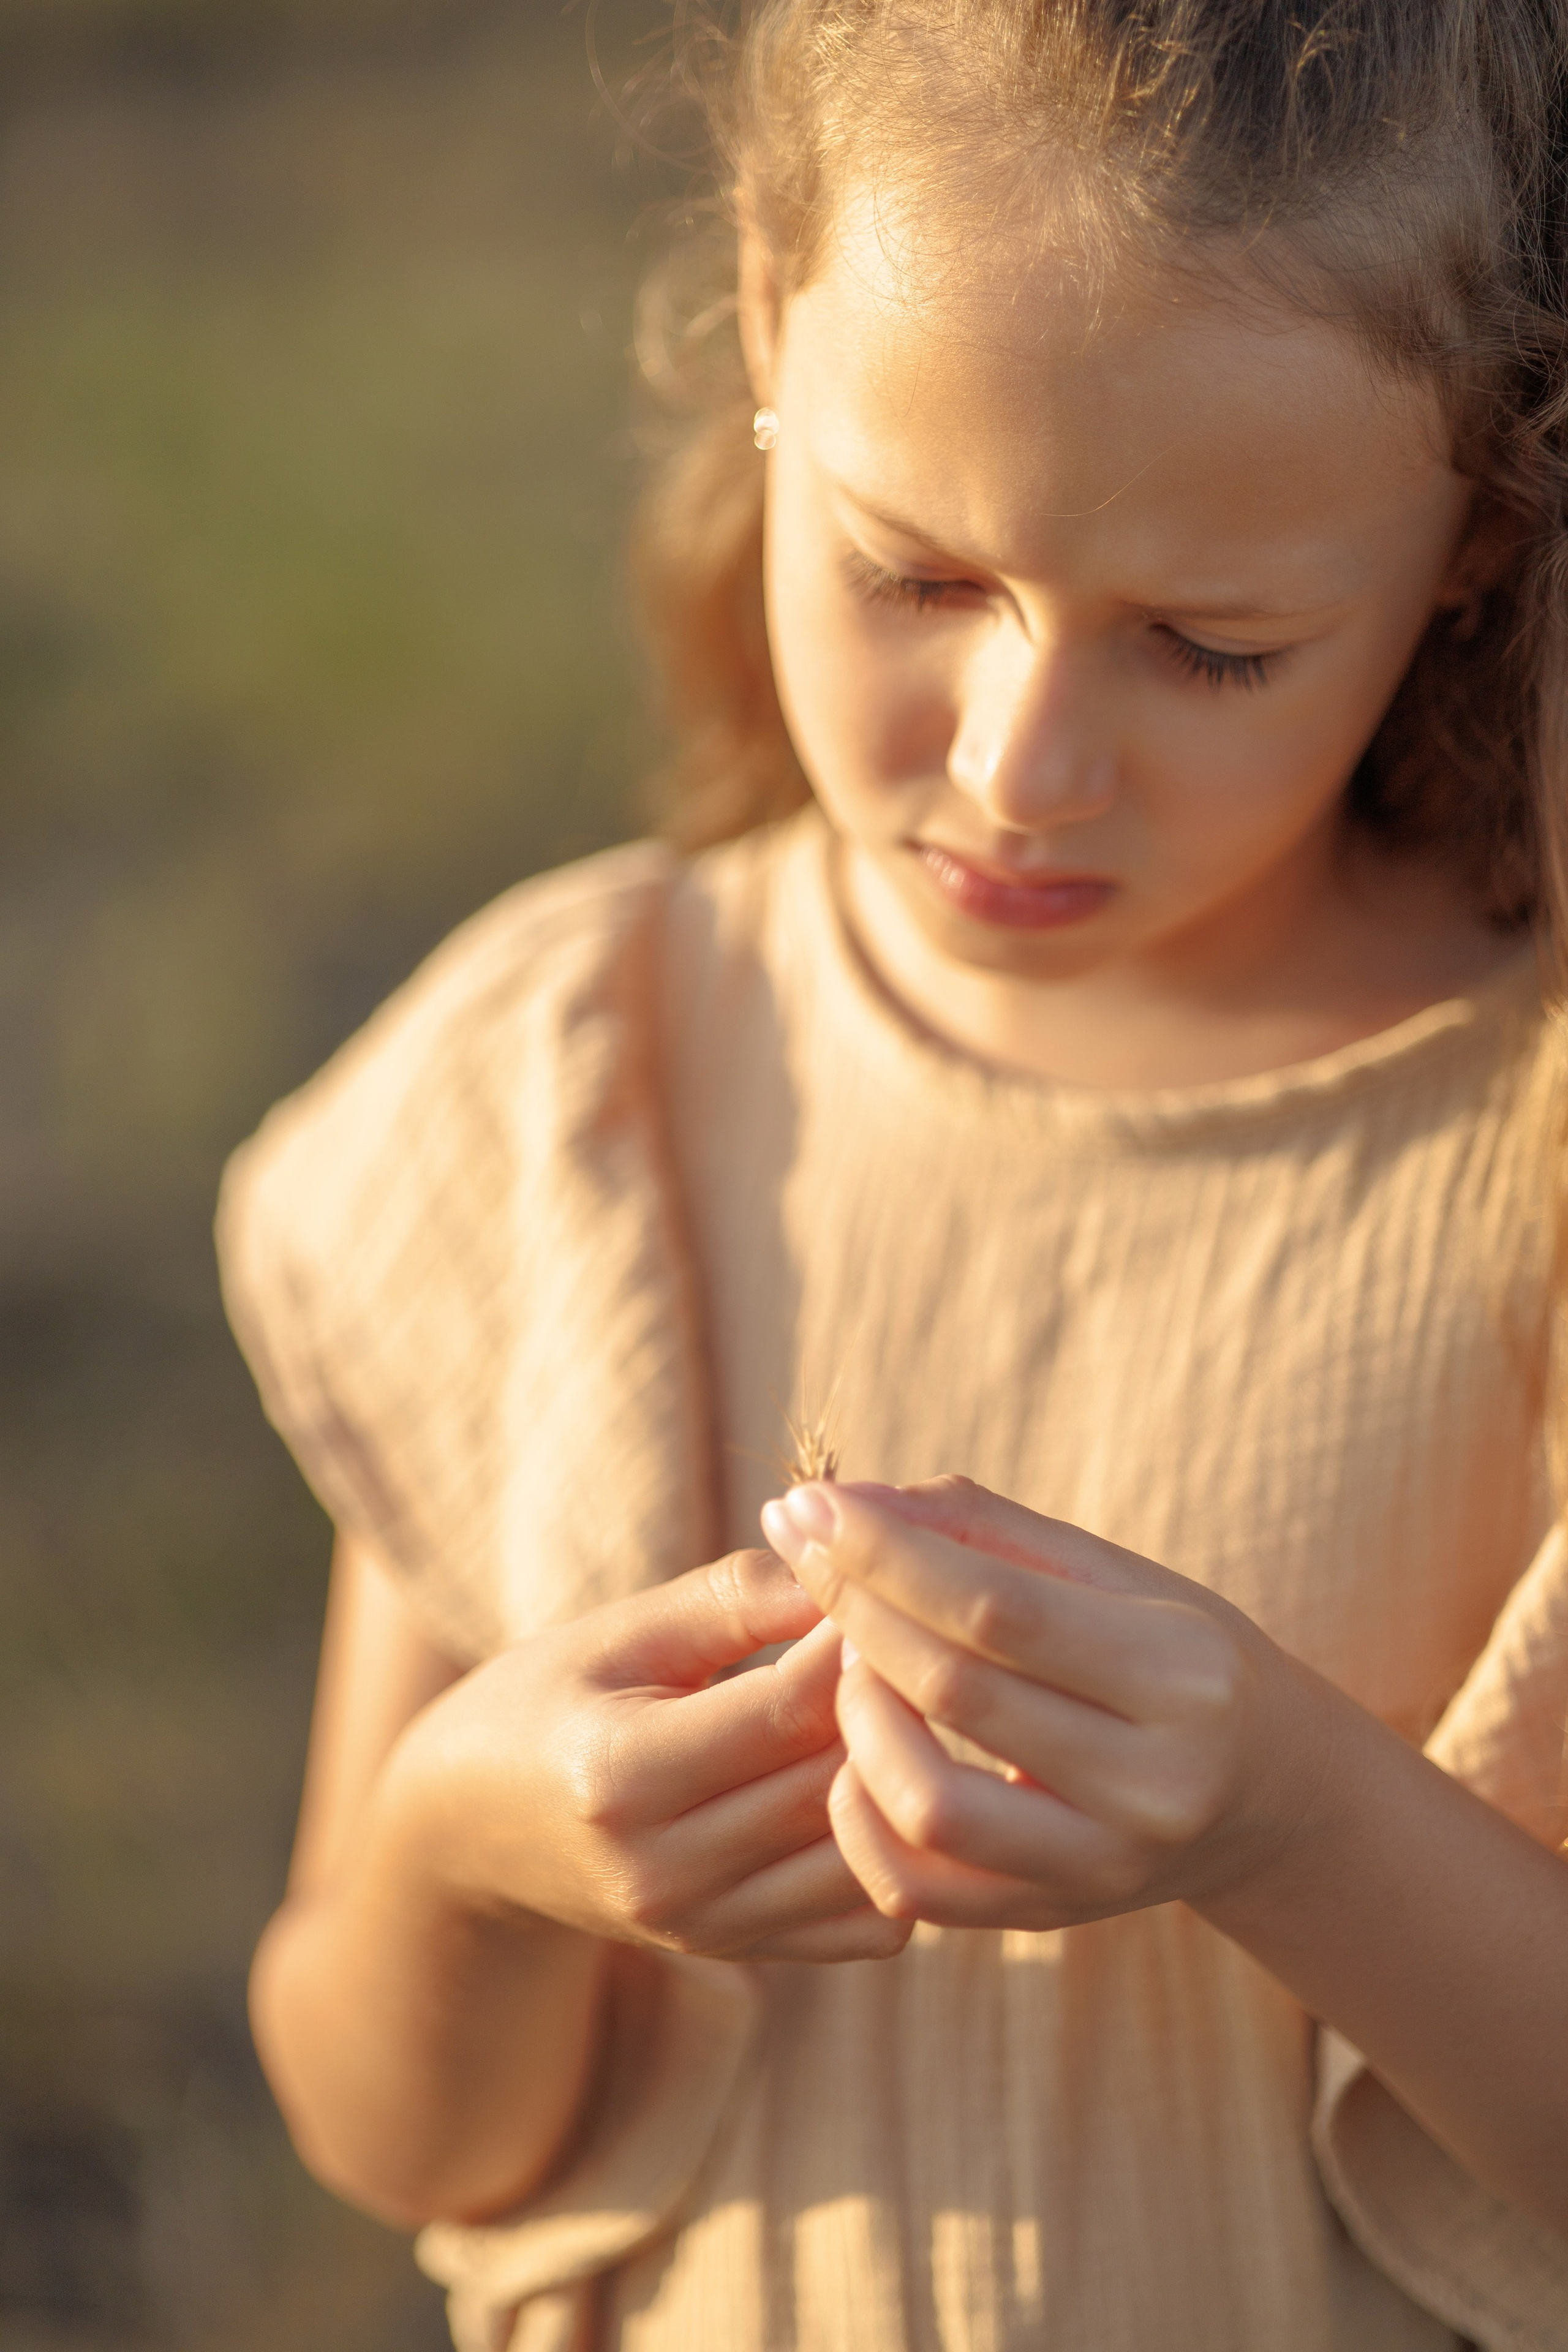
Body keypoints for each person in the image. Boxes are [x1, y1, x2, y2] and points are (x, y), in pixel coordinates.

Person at [217, 5, 1568, 2346]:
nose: (1026, 766)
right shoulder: (573, 1088)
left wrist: (1291, 1814)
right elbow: (398, 2132)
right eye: (917, 575)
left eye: (1210, 648)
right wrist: (475, 1846)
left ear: (1474, 532)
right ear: (768, 312)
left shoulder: (1522, 1150)